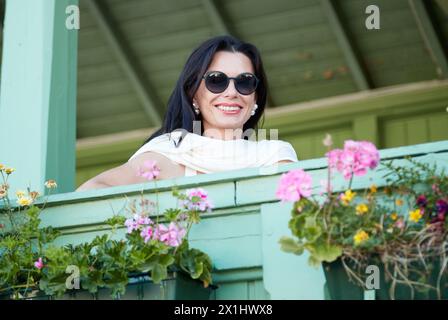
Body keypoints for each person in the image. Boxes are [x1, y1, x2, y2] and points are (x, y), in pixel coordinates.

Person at [76, 35, 298, 191]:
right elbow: (91, 190)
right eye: (216, 81)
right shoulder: (167, 153)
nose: (232, 92)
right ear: (193, 94)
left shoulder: (275, 155)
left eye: (245, 82)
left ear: (255, 97)